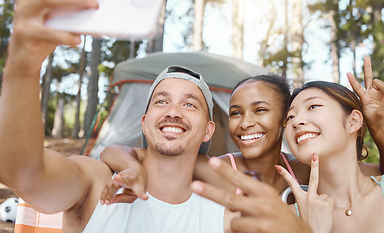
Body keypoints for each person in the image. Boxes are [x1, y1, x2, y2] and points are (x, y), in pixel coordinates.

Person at [0, 0, 227, 231]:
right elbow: (21, 172)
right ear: (144, 121)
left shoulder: (224, 214)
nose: (173, 111)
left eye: (189, 104)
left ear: (208, 130)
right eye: (161, 101)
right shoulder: (95, 184)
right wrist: (24, 63)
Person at [99, 68, 383, 204]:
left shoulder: (305, 171)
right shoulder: (218, 169)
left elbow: (376, 173)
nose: (246, 123)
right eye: (235, 113)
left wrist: (378, 127)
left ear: (285, 119)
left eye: (260, 110)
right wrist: (132, 167)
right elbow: (114, 151)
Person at [277, 80, 384, 232]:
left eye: (313, 106)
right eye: (290, 117)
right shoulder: (283, 222)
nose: (297, 122)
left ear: (353, 121)